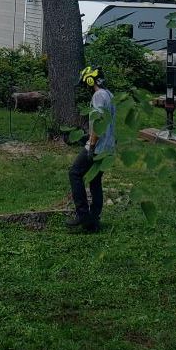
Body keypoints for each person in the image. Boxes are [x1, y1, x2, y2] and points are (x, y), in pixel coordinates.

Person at [67, 66, 116, 233]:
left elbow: (98, 122)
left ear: (90, 80)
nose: (85, 87)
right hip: (108, 147)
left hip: (97, 147)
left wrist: (92, 145)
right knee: (95, 181)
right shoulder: (109, 94)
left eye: (85, 83)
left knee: (75, 173)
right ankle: (93, 221)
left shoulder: (98, 96)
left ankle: (82, 214)